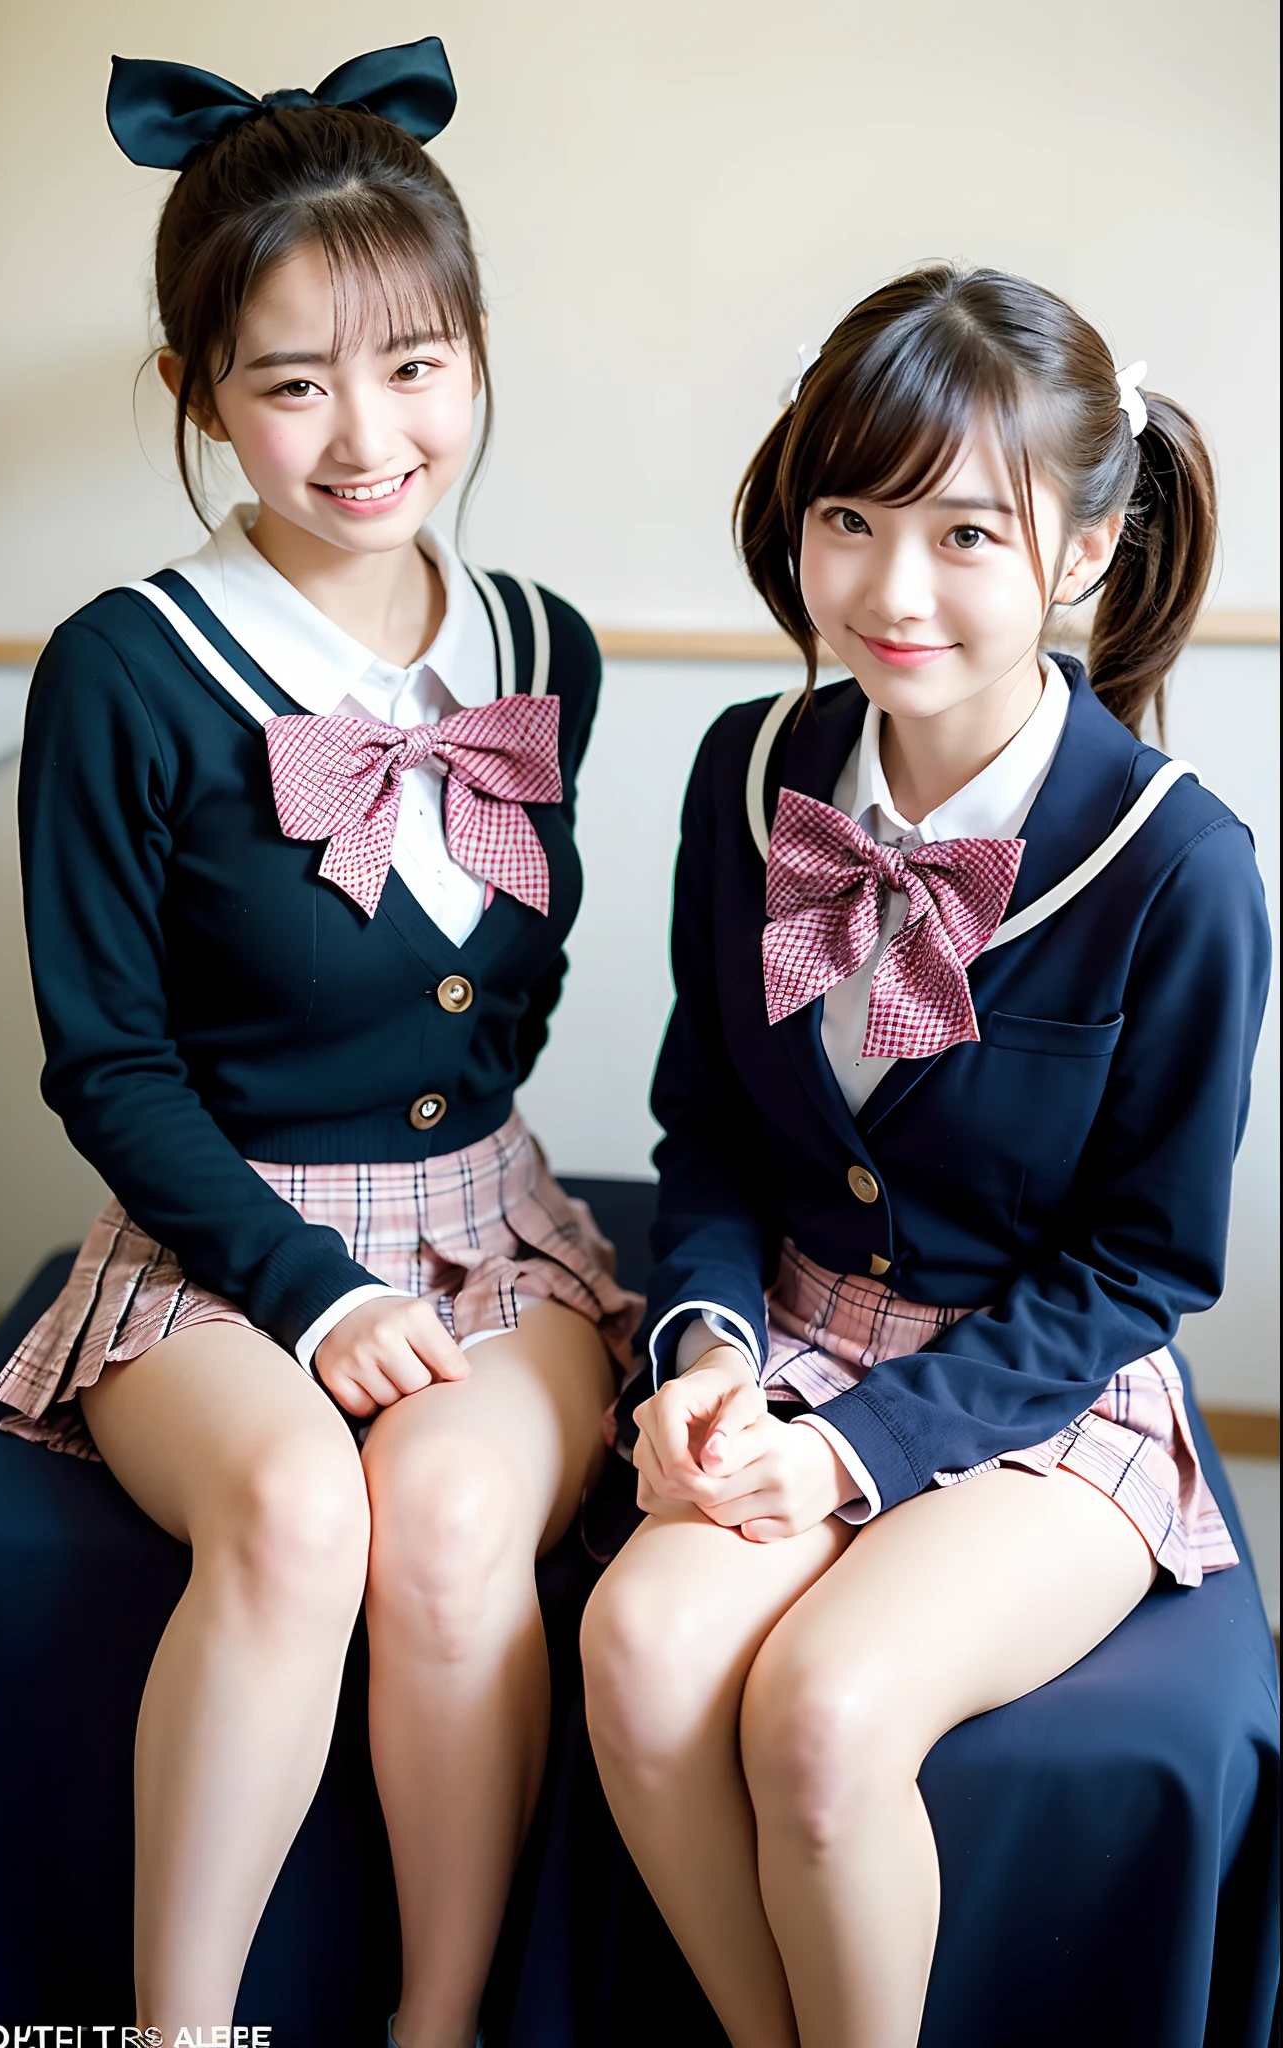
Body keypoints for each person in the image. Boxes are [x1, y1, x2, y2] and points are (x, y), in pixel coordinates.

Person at [0, 40, 638, 2047]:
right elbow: (105, 1060)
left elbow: (508, 994)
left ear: (470, 353)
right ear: (194, 393)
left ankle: (436, 2024)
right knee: (296, 1509)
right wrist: (302, 1285)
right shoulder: (128, 666)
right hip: (214, 1238)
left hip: (480, 1220)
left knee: (449, 1519)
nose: (367, 435)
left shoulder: (539, 644)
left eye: (414, 364)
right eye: (291, 380)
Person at [579, 264, 1271, 2048]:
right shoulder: (751, 775)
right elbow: (711, 1133)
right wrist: (710, 1347)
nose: (892, 589)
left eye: (970, 533)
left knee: (819, 1710)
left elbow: (1141, 1271)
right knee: (638, 1653)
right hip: (794, 1342)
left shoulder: (1176, 863)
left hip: (1043, 1394)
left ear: (1088, 554)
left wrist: (854, 1460)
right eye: (850, 517)